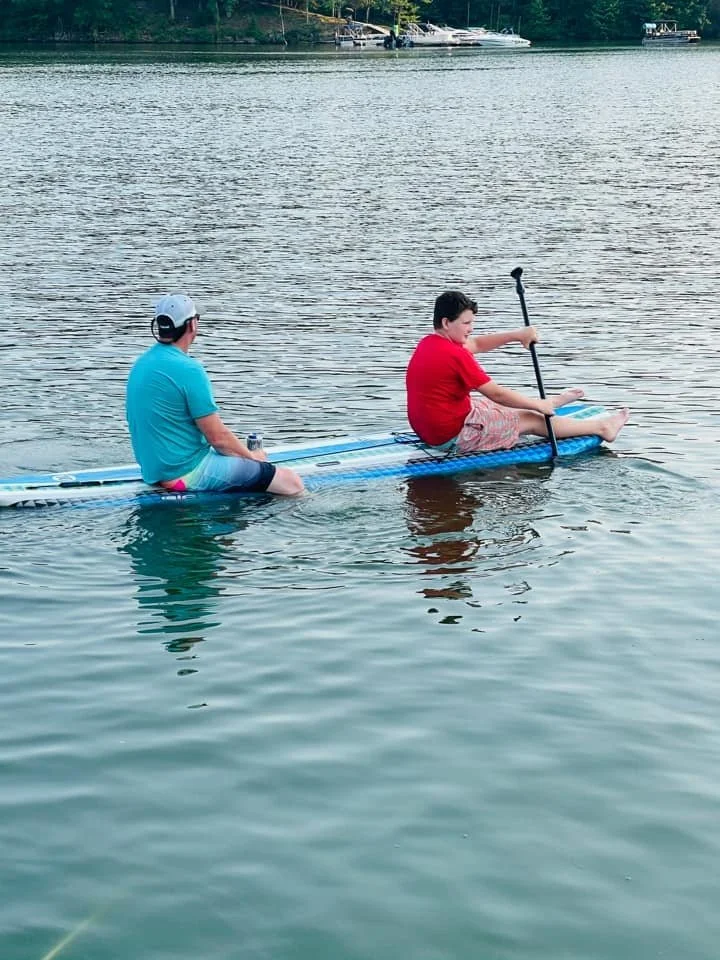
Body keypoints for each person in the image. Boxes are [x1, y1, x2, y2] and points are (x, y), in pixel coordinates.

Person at [406, 290, 629, 454]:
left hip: (431, 428)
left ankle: (549, 402)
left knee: (493, 406)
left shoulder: (430, 343)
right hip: (452, 436)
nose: (471, 328)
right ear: (446, 322)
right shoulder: (456, 355)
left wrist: (518, 334)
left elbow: (477, 344)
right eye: (466, 323)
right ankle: (602, 427)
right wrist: (537, 407)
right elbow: (496, 393)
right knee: (529, 418)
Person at [126, 294, 304, 496]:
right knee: (292, 483)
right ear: (192, 325)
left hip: (153, 472)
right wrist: (253, 458)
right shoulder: (189, 369)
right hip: (185, 474)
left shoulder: (140, 364)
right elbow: (218, 438)